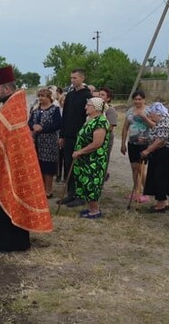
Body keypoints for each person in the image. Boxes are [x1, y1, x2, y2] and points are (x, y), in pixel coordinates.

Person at [0, 66, 52, 252]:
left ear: (7, 89)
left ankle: (5, 242)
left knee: (2, 200)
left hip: (7, 165)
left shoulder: (13, 108)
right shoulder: (11, 106)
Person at [57, 69, 93, 207]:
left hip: (81, 137)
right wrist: (62, 135)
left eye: (75, 78)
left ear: (82, 78)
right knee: (68, 164)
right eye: (71, 78)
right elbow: (64, 116)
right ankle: (71, 193)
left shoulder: (87, 95)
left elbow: (88, 116)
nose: (72, 80)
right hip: (68, 136)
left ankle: (81, 194)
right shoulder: (70, 95)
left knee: (80, 166)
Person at [71, 97, 110, 218]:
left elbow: (97, 143)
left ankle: (95, 211)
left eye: (88, 105)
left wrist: (80, 151)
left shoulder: (101, 121)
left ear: (96, 108)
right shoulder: (90, 119)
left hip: (94, 160)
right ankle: (90, 208)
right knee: (85, 182)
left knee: (91, 184)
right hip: (85, 159)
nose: (85, 107)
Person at [140, 102, 169, 213]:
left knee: (160, 177)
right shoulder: (160, 122)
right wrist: (147, 140)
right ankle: (162, 202)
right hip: (161, 153)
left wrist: (147, 151)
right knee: (158, 177)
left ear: (157, 113)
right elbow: (156, 137)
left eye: (151, 114)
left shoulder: (163, 122)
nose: (150, 116)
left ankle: (161, 204)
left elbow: (161, 140)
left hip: (165, 154)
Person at [29, 87, 61, 199]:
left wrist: (42, 128)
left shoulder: (54, 109)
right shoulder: (36, 110)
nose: (40, 98)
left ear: (49, 97)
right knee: (39, 166)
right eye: (39, 96)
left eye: (43, 96)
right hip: (37, 142)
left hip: (49, 142)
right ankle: (40, 188)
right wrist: (32, 127)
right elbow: (29, 122)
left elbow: (57, 125)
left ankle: (49, 190)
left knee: (48, 167)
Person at [120, 90, 152, 204]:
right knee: (134, 168)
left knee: (141, 168)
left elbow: (154, 126)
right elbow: (125, 127)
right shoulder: (130, 111)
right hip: (132, 143)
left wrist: (144, 118)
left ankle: (146, 191)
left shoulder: (149, 111)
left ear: (144, 99)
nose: (137, 101)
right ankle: (136, 190)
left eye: (140, 99)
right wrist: (123, 143)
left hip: (144, 144)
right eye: (135, 99)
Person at [98, 87, 118, 181]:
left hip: (106, 139)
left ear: (108, 98)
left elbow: (110, 126)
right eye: (99, 94)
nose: (100, 96)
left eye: (102, 95)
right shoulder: (97, 109)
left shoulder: (110, 110)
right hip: (96, 138)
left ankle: (103, 177)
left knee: (104, 160)